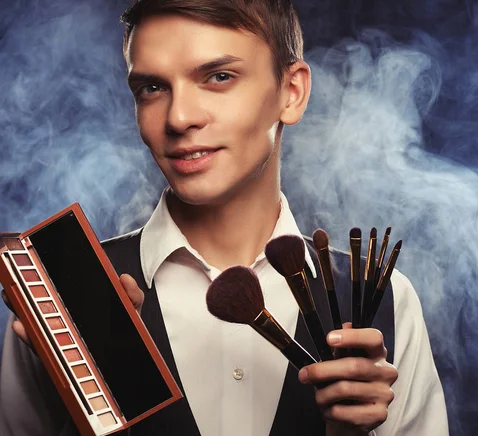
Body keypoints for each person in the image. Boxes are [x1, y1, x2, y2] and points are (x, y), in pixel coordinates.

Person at [0, 0, 449, 435]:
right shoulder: (61, 301)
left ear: (291, 93)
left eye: (218, 76)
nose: (178, 118)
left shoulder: (383, 298)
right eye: (152, 88)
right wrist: (87, 403)